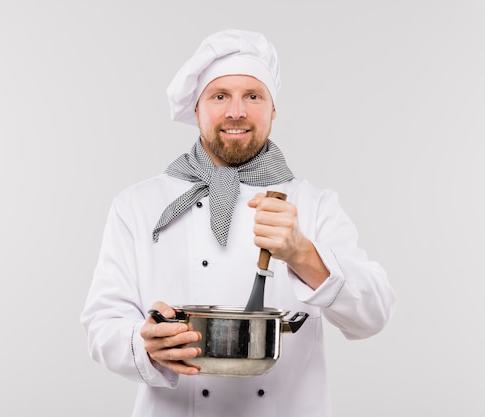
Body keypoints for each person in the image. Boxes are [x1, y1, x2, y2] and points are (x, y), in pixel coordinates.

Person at [80, 29, 396, 417]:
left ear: (273, 110)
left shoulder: (314, 205)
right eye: (219, 96)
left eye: (253, 96)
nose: (236, 112)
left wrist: (301, 253)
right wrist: (144, 343)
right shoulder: (138, 205)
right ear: (196, 109)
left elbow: (374, 315)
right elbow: (101, 324)